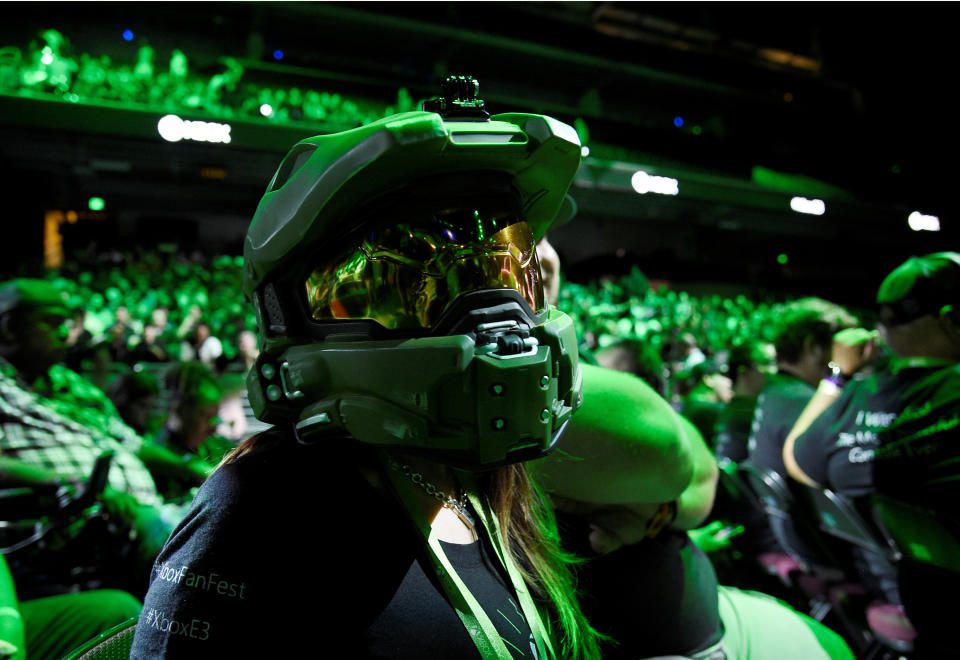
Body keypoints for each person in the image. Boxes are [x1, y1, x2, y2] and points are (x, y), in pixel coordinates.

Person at [131, 76, 604, 658]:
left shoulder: (493, 478)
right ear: (309, 308)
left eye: (503, 273)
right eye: (422, 285)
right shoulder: (260, 512)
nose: (494, 320)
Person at [534, 362, 855, 659]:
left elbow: (699, 480)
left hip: (695, 612)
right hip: (673, 637)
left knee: (830, 643)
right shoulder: (517, 375)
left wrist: (662, 507)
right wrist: (660, 504)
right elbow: (685, 464)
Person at [783, 251, 960, 653]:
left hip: (903, 601)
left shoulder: (854, 395)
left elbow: (796, 458)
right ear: (951, 319)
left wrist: (837, 374)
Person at [0, 278, 182, 599]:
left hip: (141, 514)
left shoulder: (73, 385)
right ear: (10, 328)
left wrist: (202, 469)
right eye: (51, 322)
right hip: (72, 530)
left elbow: (133, 444)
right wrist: (66, 481)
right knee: (205, 547)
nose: (63, 332)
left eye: (66, 322)